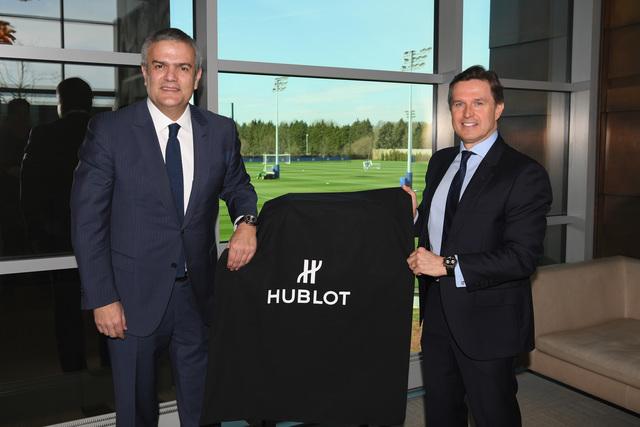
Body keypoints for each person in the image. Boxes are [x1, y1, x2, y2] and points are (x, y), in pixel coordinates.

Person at [70, 28, 258, 426]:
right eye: (161, 66)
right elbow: (88, 223)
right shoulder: (110, 132)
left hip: (197, 298)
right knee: (136, 412)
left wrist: (246, 222)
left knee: (203, 409)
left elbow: (239, 186)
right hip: (129, 301)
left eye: (183, 68)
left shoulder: (220, 131)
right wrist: (102, 297)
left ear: (197, 76)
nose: (171, 77)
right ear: (145, 72)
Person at [403, 65, 552, 427]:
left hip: (489, 322)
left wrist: (447, 264)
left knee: (493, 415)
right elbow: (442, 227)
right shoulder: (441, 161)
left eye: (478, 103)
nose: (467, 113)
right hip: (437, 314)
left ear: (498, 108)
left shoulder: (524, 174)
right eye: (458, 104)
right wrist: (414, 216)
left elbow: (522, 257)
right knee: (442, 411)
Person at [21, 77, 95, 372]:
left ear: (61, 103)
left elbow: (30, 189)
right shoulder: (105, 132)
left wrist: (35, 232)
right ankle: (112, 369)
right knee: (111, 302)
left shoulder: (44, 135)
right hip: (103, 235)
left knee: (66, 309)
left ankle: (74, 371)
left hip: (60, 235)